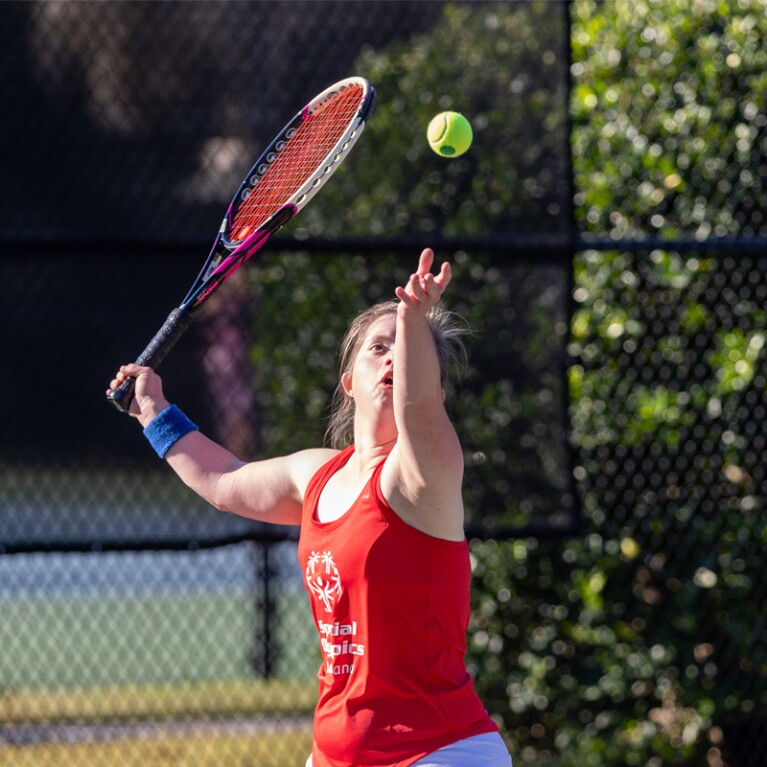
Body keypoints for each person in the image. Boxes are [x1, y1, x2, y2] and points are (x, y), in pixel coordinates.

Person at [108, 248, 512, 767]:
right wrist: (154, 413)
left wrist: (415, 320)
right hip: (333, 753)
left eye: (407, 350)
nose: (393, 357)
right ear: (348, 382)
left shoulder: (426, 472)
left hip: (441, 750)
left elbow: (417, 407)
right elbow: (225, 482)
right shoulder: (315, 475)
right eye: (377, 347)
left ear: (432, 381)